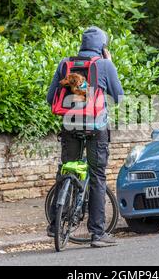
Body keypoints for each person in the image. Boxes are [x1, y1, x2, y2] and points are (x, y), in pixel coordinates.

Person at [46, 26, 124, 247]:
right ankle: (98, 234)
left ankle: (55, 223)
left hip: (69, 126)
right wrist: (110, 63)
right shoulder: (104, 65)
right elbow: (118, 97)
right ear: (102, 46)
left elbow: (50, 97)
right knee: (97, 176)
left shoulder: (65, 64)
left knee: (67, 168)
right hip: (95, 127)